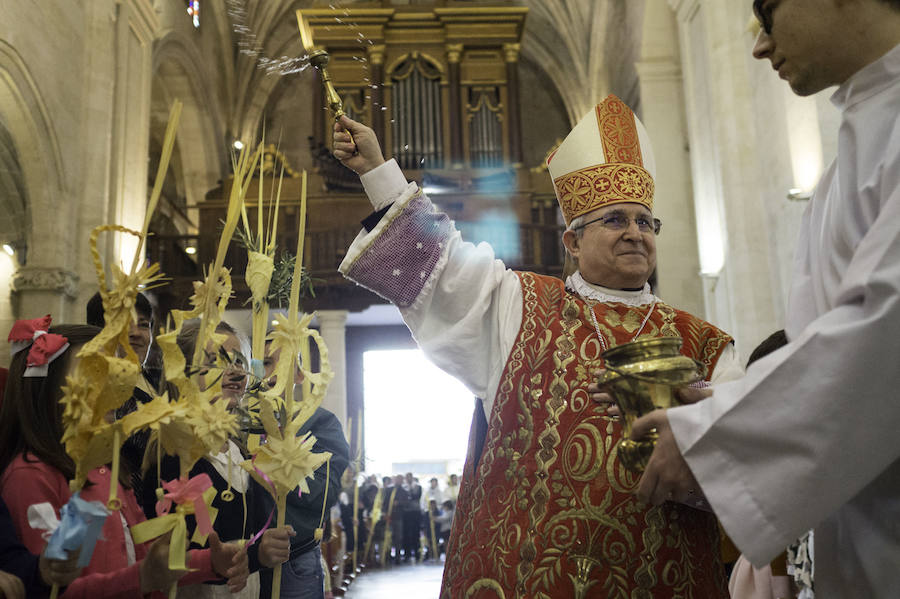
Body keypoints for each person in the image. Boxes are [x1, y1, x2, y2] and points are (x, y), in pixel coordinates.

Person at [332, 94, 743, 597]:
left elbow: (752, 464)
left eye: (645, 221)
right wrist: (378, 171)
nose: (636, 233)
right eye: (615, 220)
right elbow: (444, 266)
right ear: (571, 242)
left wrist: (700, 431)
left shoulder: (705, 345)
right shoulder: (520, 306)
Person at [627, 1, 900, 596]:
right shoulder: (844, 163)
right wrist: (734, 401)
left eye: (768, 11)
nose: (758, 43)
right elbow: (822, 345)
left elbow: (885, 334)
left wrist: (717, 430)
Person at [0, 323, 249, 597]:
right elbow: (53, 586)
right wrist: (143, 577)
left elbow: (146, 555)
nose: (114, 389)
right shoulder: (31, 476)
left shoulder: (107, 471)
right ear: (49, 391)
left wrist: (208, 563)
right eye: (95, 376)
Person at [141, 320, 294, 598]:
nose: (234, 371)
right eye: (214, 361)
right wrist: (255, 555)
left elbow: (253, 534)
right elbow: (176, 558)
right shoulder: (171, 455)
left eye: (238, 361)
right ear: (181, 373)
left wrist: (267, 546)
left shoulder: (241, 454)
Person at [257, 337, 350, 599]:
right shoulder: (240, 423)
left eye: (282, 362)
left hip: (293, 558)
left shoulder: (321, 424)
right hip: (241, 559)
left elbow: (323, 493)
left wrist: (278, 461)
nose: (271, 372)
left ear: (299, 375)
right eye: (264, 363)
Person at [86, 291, 158, 501]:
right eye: (123, 323)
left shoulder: (161, 381)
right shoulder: (95, 389)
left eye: (143, 324)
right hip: (122, 502)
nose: (135, 332)